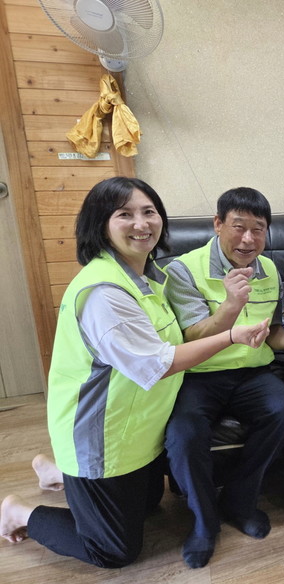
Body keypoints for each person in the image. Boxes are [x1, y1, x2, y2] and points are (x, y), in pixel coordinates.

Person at [0, 177, 269, 568]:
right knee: (114, 550)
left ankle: (55, 472)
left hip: (140, 433)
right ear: (101, 225)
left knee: (148, 506)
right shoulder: (104, 293)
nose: (141, 224)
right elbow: (159, 364)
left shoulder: (150, 275)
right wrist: (232, 335)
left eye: (149, 212)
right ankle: (19, 511)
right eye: (124, 215)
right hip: (102, 439)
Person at [163, 187, 284, 569]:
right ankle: (204, 522)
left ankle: (239, 499)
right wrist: (231, 307)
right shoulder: (183, 270)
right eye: (239, 227)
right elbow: (192, 337)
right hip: (200, 373)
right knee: (184, 434)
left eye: (259, 229)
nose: (249, 239)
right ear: (218, 224)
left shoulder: (268, 269)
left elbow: (271, 333)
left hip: (252, 371)